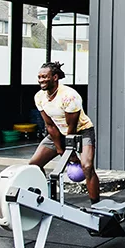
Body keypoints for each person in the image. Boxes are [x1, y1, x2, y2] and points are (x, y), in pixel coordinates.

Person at [29, 61, 101, 204]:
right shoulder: (39, 97)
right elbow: (50, 125)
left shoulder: (69, 96)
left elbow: (71, 127)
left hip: (82, 131)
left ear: (54, 77)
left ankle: (97, 205)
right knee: (34, 165)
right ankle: (44, 198)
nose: (41, 80)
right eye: (39, 77)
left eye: (45, 77)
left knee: (87, 167)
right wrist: (61, 150)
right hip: (58, 132)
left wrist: (72, 153)